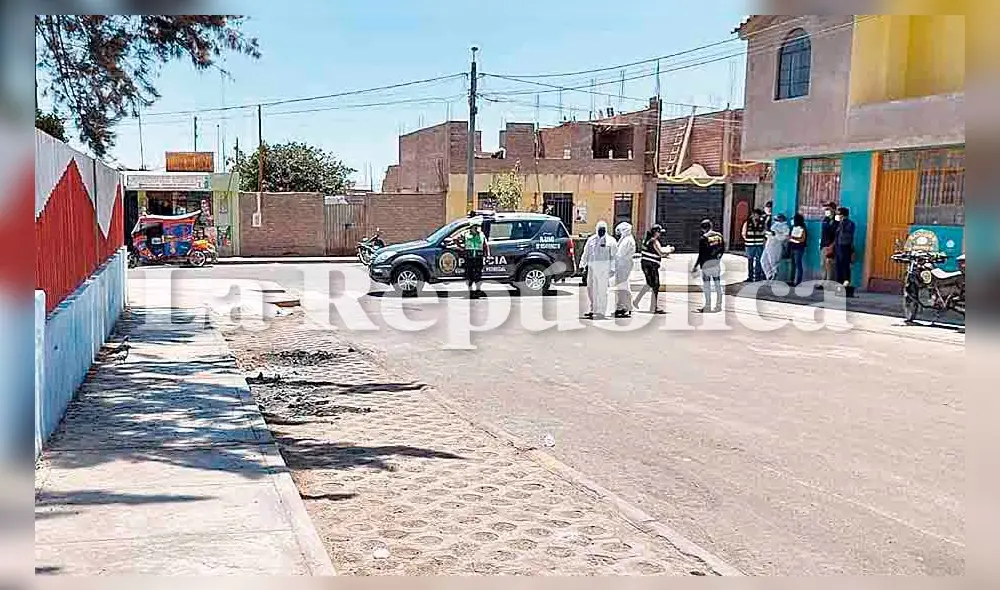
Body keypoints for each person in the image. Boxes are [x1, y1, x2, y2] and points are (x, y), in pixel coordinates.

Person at [580, 220, 617, 319]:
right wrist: (582, 265)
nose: (601, 231)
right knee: (591, 289)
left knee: (602, 290)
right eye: (600, 229)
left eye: (603, 229)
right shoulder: (591, 240)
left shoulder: (611, 241)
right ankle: (593, 309)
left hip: (604, 269)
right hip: (592, 268)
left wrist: (613, 269)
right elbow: (586, 252)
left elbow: (614, 256)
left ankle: (601, 311)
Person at [691, 219, 726, 313]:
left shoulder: (704, 238)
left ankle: (708, 306)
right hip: (716, 264)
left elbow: (701, 254)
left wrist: (695, 266)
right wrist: (718, 258)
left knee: (707, 286)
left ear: (703, 229)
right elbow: (722, 249)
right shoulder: (719, 236)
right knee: (718, 285)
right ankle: (719, 305)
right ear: (711, 226)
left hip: (706, 265)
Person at [633, 224, 667, 314]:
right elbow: (661, 253)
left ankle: (636, 301)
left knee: (649, 284)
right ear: (656, 233)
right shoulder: (654, 241)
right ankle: (654, 307)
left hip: (644, 265)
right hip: (652, 266)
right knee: (656, 285)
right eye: (659, 232)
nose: (660, 234)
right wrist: (670, 250)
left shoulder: (646, 240)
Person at [461, 217, 489, 298]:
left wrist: (487, 255)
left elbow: (485, 245)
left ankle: (478, 290)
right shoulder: (465, 234)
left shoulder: (481, 235)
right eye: (475, 227)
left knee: (478, 274)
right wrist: (462, 247)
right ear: (471, 227)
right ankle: (470, 290)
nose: (476, 228)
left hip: (478, 257)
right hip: (469, 258)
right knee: (469, 274)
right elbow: (456, 239)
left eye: (477, 226)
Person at [613, 222, 636, 318]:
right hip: (621, 265)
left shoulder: (627, 241)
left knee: (623, 286)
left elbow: (619, 254)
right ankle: (621, 307)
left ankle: (626, 307)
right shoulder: (625, 240)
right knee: (621, 286)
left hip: (624, 265)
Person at [833, 206, 856, 297]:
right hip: (838, 248)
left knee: (845, 266)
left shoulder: (849, 224)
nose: (837, 216)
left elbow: (846, 236)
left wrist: (841, 224)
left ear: (842, 215)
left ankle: (846, 283)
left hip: (845, 247)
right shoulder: (838, 224)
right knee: (838, 266)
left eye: (838, 214)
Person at [761, 213, 790, 281]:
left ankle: (775, 277)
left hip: (776, 246)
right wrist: (768, 233)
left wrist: (775, 234)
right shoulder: (774, 225)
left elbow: (784, 237)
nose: (777, 219)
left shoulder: (785, 227)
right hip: (768, 244)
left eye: (778, 218)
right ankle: (769, 275)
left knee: (773, 262)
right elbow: (769, 234)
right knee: (763, 260)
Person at [742, 208, 767, 282]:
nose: (755, 216)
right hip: (749, 244)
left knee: (759, 261)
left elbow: (765, 231)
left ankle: (757, 276)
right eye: (754, 215)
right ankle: (750, 276)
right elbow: (744, 232)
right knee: (750, 260)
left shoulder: (762, 223)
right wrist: (746, 239)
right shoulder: (747, 222)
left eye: (757, 215)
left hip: (759, 244)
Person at [819, 202, 838, 288]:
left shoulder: (836, 221)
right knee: (823, 264)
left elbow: (837, 235)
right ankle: (822, 282)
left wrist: (832, 246)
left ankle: (829, 282)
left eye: (829, 209)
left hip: (831, 246)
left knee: (829, 265)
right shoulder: (825, 220)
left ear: (833, 210)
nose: (827, 211)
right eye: (826, 209)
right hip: (823, 245)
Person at [788, 213, 808, 286]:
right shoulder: (793, 227)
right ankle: (791, 280)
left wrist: (792, 238)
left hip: (799, 248)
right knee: (792, 265)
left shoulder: (802, 228)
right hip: (792, 247)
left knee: (798, 264)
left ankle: (798, 281)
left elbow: (802, 239)